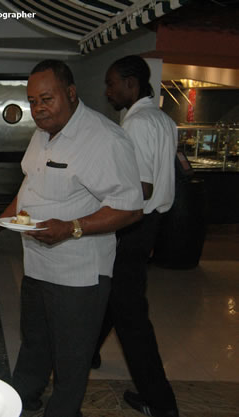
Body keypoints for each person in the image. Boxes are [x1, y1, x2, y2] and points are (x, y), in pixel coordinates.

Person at [0, 59, 143, 417]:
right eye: (32, 101)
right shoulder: (42, 133)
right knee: (34, 342)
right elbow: (30, 189)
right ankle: (22, 400)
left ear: (71, 92)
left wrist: (71, 228)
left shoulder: (103, 139)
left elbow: (130, 208)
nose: (38, 109)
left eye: (46, 99)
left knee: (71, 357)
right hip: (37, 263)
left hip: (79, 272)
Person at [93, 55, 179, 417]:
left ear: (131, 84)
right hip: (151, 225)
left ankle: (160, 403)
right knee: (114, 298)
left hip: (133, 226)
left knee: (132, 319)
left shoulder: (137, 124)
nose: (108, 91)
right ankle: (88, 353)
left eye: (112, 83)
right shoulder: (162, 118)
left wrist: (96, 201)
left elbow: (139, 187)